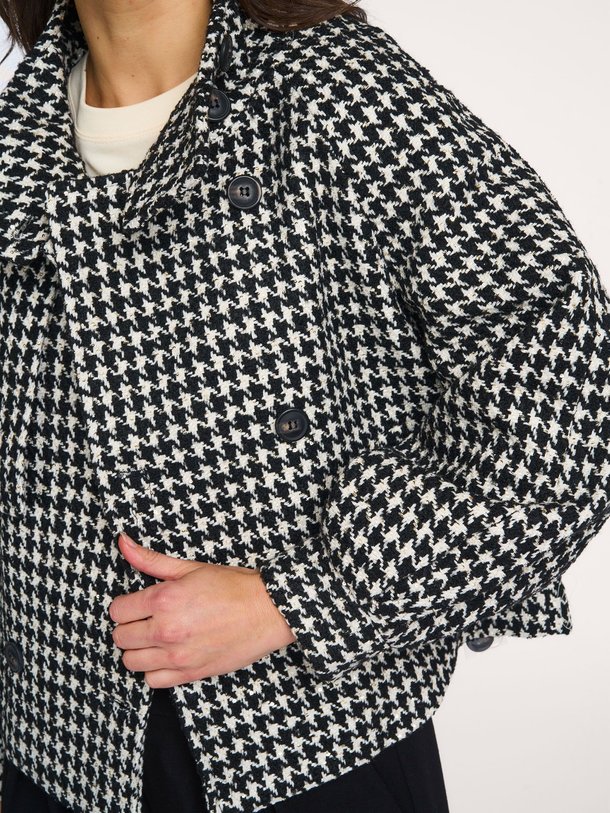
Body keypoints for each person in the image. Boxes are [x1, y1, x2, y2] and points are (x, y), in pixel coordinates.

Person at [0, 0, 608, 811]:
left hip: (314, 751)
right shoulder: (21, 138)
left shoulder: (332, 88)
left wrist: (309, 596)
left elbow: (566, 396)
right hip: (59, 756)